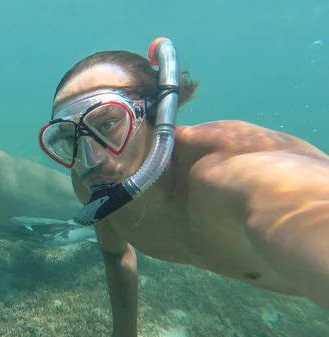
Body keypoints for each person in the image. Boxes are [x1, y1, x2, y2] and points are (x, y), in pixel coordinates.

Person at [37, 38, 329, 336]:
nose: (90, 159)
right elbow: (116, 254)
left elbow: (302, 207)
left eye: (108, 124)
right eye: (70, 138)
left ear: (156, 112)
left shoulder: (234, 174)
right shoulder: (92, 183)